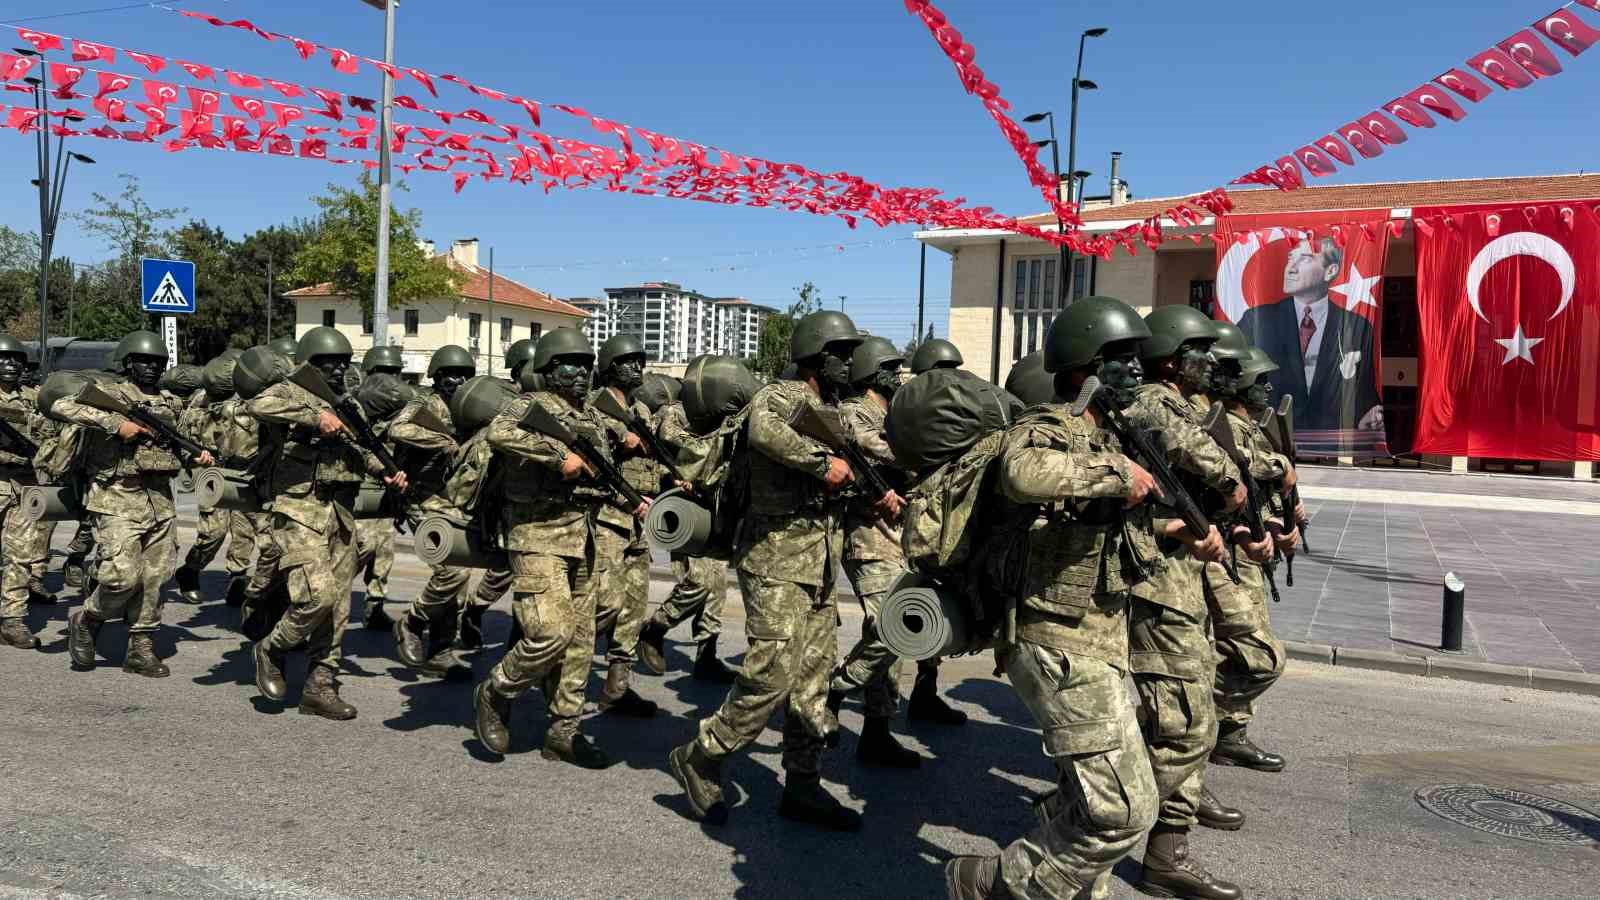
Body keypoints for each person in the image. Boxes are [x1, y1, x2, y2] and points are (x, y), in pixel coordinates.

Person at [944, 296, 1163, 899]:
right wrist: (1118, 475)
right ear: (1083, 366)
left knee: (1088, 802)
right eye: (1122, 359)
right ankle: (994, 880)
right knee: (1124, 810)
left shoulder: (1105, 436)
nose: (1138, 371)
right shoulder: (1048, 429)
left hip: (1099, 638)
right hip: (1057, 642)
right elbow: (1023, 474)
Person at [668, 311, 878, 832]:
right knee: (770, 673)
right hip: (775, 560)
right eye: (842, 352)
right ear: (815, 354)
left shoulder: (834, 410)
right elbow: (763, 431)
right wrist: (819, 462)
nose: (851, 362)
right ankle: (703, 753)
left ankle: (802, 785)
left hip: (819, 564)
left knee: (812, 681)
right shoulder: (779, 396)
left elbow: (858, 463)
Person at [1125, 305, 1255, 900]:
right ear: (1175, 358)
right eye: (1202, 352)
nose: (1214, 362)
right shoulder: (1153, 404)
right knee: (1181, 721)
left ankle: (1166, 838)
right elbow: (1208, 463)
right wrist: (1227, 487)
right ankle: (1101, 818)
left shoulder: (1183, 406)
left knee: (1189, 715)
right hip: (1158, 583)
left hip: (1185, 580)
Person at [471, 327, 645, 768]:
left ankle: (563, 731)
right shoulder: (529, 405)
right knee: (552, 632)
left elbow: (597, 473)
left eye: (587, 365)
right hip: (536, 538)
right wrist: (557, 458)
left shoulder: (588, 415)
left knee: (582, 641)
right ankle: (497, 690)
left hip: (582, 536)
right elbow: (500, 433)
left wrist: (627, 497)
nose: (582, 373)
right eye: (572, 364)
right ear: (549, 369)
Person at [249, 327, 406, 720]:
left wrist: (385, 470)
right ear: (308, 364)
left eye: (342, 363)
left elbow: (357, 446)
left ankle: (320, 686)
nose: (336, 370)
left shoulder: (346, 403)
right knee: (315, 596)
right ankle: (272, 648)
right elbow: (260, 405)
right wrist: (315, 418)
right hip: (299, 510)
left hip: (341, 512)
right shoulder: (289, 391)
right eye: (326, 364)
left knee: (337, 608)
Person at [55, 331, 215, 677]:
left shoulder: (171, 403)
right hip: (116, 497)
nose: (151, 368)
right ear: (128, 363)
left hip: (160, 499)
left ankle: (140, 648)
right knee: (120, 578)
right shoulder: (109, 393)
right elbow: (61, 404)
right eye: (144, 361)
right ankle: (88, 618)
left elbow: (183, 444)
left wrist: (198, 457)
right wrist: (116, 423)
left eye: (158, 362)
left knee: (156, 578)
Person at [1206, 339, 1298, 778]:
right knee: (1251, 648)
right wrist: (1280, 467)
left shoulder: (1254, 426)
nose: (1267, 387)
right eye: (1259, 380)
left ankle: (1229, 732)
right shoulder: (1230, 427)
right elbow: (1247, 472)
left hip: (1254, 546)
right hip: (1234, 552)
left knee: (1247, 644)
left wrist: (1287, 519)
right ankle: (1203, 725)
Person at [636, 371, 737, 684]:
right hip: (682, 508)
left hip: (715, 509)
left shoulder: (727, 417)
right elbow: (666, 448)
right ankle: (656, 627)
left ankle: (706, 655)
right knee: (698, 582)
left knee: (716, 585)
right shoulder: (675, 413)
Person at [584, 334, 662, 718]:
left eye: (640, 361)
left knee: (632, 607)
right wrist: (620, 437)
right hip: (607, 518)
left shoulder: (642, 412)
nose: (638, 368)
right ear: (611, 367)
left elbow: (648, 467)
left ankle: (617, 687)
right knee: (606, 602)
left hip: (638, 521)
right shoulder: (595, 409)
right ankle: (562, 671)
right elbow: (595, 458)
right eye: (629, 361)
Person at [1234, 237, 1382, 435]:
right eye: (1290, 259)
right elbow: (1237, 379)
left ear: (1330, 271)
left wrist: (1368, 416)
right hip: (1271, 441)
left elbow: (1364, 389)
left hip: (1331, 445)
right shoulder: (1256, 320)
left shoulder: (1355, 326)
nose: (1290, 268)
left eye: (1304, 259)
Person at [390, 346, 476, 678]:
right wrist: (441, 440)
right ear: (437, 376)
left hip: (457, 501)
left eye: (465, 375)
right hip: (423, 499)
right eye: (452, 374)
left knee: (459, 579)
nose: (459, 380)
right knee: (452, 573)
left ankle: (441, 651)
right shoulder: (425, 403)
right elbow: (399, 429)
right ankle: (412, 620)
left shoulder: (468, 407)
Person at [454, 338, 535, 650]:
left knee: (524, 574)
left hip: (533, 500)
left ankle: (518, 638)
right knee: (507, 569)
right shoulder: (501, 403)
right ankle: (475, 609)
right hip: (503, 499)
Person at [173, 350, 248, 604]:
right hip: (210, 472)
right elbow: (181, 438)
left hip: (242, 471)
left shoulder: (248, 397)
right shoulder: (200, 402)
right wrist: (192, 457)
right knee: (214, 531)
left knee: (244, 529)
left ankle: (237, 577)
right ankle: (190, 570)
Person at [0, 335, 48, 648]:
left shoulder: (34, 399)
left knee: (20, 555)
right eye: (3, 359)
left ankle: (11, 620)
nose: (10, 365)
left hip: (24, 483)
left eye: (17, 359)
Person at [353, 345, 405, 630]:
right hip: (360, 486)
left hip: (388, 487)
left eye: (391, 374)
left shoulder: (400, 410)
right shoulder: (355, 410)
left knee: (384, 551)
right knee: (357, 550)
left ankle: (374, 606)